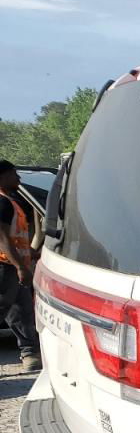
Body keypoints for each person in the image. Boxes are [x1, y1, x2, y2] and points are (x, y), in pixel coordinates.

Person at [0, 159, 41, 372]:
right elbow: (2, 238)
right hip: (5, 266)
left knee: (23, 311)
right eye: (14, 174)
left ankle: (30, 354)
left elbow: (18, 238)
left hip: (14, 265)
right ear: (3, 176)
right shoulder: (2, 202)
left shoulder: (11, 201)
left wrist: (34, 254)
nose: (19, 178)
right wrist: (20, 266)